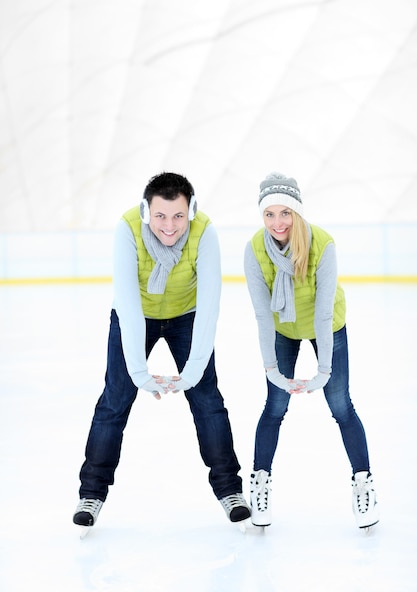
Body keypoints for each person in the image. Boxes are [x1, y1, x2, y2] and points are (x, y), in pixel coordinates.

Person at [73, 172, 250, 529]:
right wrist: (140, 373)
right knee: (116, 399)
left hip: (187, 316)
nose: (170, 226)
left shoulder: (205, 232)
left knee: (207, 400)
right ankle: (91, 494)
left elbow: (210, 303)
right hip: (136, 313)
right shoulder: (127, 230)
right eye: (160, 216)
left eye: (179, 216)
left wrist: (194, 368)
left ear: (191, 211)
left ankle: (230, 490)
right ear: (146, 212)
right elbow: (126, 300)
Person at [244, 171, 379, 530]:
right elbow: (261, 313)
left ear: (298, 213)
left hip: (326, 326)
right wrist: (271, 368)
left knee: (341, 405)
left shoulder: (323, 244)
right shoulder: (256, 248)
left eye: (285, 213)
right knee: (275, 406)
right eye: (269, 214)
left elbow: (322, 311)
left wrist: (323, 370)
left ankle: (364, 483)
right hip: (283, 328)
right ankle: (259, 483)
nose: (277, 222)